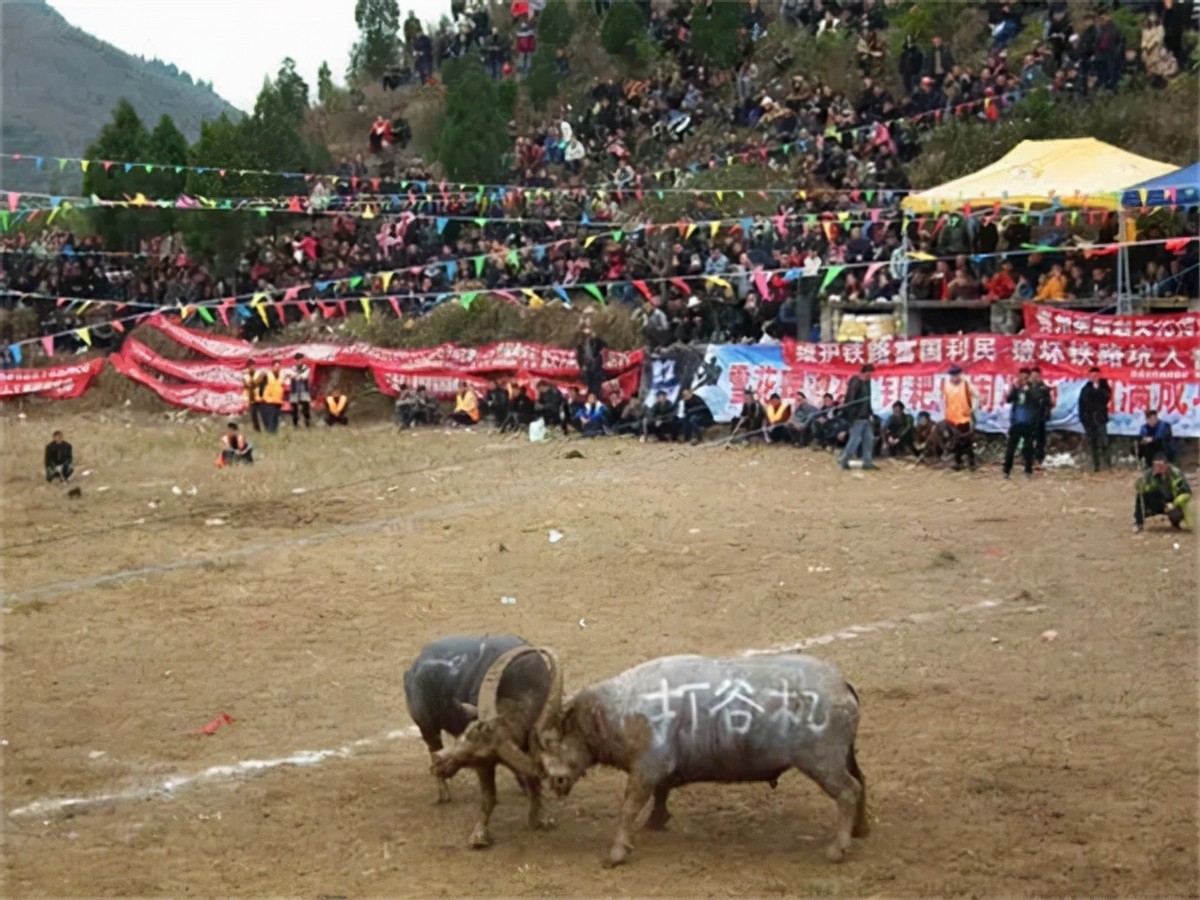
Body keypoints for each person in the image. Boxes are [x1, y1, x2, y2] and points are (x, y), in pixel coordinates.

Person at [1133, 453, 1193, 533]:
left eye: (1160, 466)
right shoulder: (1149, 473)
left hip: (1173, 500)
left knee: (1176, 514)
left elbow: (1186, 493)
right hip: (1159, 500)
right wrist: (1139, 482)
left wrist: (1174, 504)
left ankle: (1175, 523)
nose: (1158, 468)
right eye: (1156, 466)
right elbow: (1142, 489)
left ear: (1166, 465)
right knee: (1140, 496)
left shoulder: (1176, 473)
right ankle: (1138, 523)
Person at [839, 364, 877, 470]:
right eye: (868, 374)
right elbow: (850, 400)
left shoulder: (868, 383)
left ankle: (867, 462)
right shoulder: (855, 382)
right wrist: (852, 416)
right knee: (855, 440)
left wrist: (870, 413)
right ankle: (844, 460)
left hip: (866, 416)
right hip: (857, 417)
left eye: (871, 375)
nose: (870, 377)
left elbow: (868, 400)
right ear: (863, 373)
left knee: (869, 439)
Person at [1002, 368, 1037, 479]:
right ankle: (1006, 470)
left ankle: (1028, 470)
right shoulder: (1016, 388)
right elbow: (1008, 399)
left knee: (1028, 448)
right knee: (1011, 448)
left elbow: (1036, 403)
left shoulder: (1033, 389)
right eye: (1021, 377)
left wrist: (1028, 391)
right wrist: (1015, 389)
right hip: (1016, 423)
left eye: (1026, 378)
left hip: (1028, 423)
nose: (1023, 380)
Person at [941, 365, 976, 471]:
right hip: (951, 418)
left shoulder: (966, 384)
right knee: (955, 441)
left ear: (960, 375)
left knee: (966, 440)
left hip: (964, 418)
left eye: (956, 375)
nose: (954, 378)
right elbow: (943, 400)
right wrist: (944, 415)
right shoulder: (946, 385)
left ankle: (971, 461)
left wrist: (973, 409)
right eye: (952, 376)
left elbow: (976, 396)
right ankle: (958, 462)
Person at [1077, 366, 1112, 472]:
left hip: (1101, 419)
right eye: (1092, 376)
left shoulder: (1104, 386)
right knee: (1093, 443)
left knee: (1104, 442)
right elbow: (1082, 405)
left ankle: (1107, 464)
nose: (1094, 378)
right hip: (1089, 420)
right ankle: (1096, 465)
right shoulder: (1085, 388)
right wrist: (1083, 419)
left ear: (1099, 375)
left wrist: (1098, 389)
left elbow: (1106, 398)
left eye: (1096, 375)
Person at [1027, 367, 1053, 468]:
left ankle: (1039, 458)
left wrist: (1046, 414)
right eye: (1033, 376)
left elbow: (1048, 403)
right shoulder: (1026, 387)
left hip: (1040, 418)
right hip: (1028, 418)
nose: (1034, 378)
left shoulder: (1044, 388)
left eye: (1036, 376)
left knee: (1040, 439)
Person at [575, 326, 608, 398]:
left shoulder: (597, 341)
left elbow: (605, 346)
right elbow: (579, 356)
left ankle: (595, 395)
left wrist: (596, 339)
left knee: (596, 381)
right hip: (587, 366)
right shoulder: (581, 344)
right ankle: (590, 396)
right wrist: (582, 365)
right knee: (588, 381)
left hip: (596, 366)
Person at [287, 353, 313, 428]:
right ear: (295, 361)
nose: (299, 362)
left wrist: (297, 376)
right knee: (294, 408)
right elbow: (290, 375)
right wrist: (297, 376)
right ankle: (295, 424)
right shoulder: (291, 368)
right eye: (297, 360)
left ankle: (307, 423)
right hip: (294, 390)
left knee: (306, 407)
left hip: (304, 390)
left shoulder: (306, 368)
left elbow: (305, 376)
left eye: (300, 360)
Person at [260, 361, 285, 433]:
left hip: (278, 401)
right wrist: (262, 397)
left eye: (279, 367)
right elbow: (260, 386)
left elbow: (282, 387)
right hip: (269, 401)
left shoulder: (281, 377)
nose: (277, 368)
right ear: (272, 367)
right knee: (270, 418)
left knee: (275, 418)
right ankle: (270, 433)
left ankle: (274, 433)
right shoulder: (267, 375)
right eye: (276, 367)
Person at [242, 360, 265, 432]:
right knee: (253, 415)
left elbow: (259, 381)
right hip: (251, 399)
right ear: (247, 368)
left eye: (253, 366)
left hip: (260, 398)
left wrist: (251, 383)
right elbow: (246, 386)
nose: (252, 368)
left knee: (263, 414)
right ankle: (257, 431)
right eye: (250, 367)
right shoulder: (245, 377)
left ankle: (267, 428)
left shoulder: (260, 374)